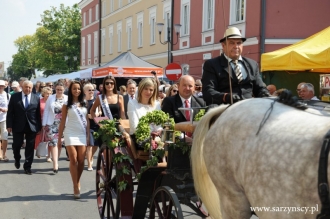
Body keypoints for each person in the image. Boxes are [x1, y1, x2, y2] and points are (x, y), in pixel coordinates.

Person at [202, 27, 269, 106]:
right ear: (223, 45)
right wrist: (226, 97)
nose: (236, 46)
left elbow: (259, 88)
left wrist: (264, 93)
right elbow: (208, 92)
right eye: (231, 43)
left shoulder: (252, 64)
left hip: (250, 107)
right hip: (224, 108)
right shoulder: (212, 64)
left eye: (239, 43)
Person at [57, 81, 89, 199]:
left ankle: (77, 180)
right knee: (73, 159)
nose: (77, 91)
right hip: (70, 133)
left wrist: (88, 135)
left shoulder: (84, 103)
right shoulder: (67, 105)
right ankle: (75, 185)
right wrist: (59, 138)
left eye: (79, 89)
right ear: (70, 90)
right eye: (74, 89)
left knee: (81, 160)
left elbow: (87, 120)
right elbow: (62, 122)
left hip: (81, 133)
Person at [6, 80, 41, 175]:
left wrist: (39, 127)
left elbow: (38, 114)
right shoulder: (14, 97)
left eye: (30, 87)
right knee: (16, 145)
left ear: (32, 88)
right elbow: (10, 112)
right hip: (18, 125)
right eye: (26, 87)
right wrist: (9, 125)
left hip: (32, 125)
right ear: (22, 87)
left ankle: (27, 166)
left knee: (30, 147)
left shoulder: (36, 98)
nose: (28, 89)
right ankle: (17, 158)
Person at [42, 82, 68, 173]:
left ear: (64, 90)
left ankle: (56, 159)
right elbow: (46, 111)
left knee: (60, 144)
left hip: (63, 124)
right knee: (53, 143)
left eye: (61, 89)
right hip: (52, 124)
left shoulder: (67, 99)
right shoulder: (51, 98)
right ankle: (55, 164)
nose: (59, 91)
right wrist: (44, 124)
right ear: (55, 89)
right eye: (57, 89)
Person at [84, 83, 101, 171]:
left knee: (96, 145)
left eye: (92, 90)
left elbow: (100, 112)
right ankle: (89, 164)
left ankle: (90, 157)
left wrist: (95, 114)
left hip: (96, 124)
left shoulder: (96, 100)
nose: (91, 91)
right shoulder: (83, 102)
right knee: (89, 145)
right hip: (87, 125)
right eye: (89, 90)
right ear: (85, 91)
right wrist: (87, 115)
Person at [34, 86, 53, 162]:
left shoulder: (52, 101)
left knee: (49, 140)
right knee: (39, 138)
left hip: (50, 123)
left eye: (50, 93)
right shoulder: (39, 101)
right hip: (40, 122)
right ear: (43, 94)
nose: (48, 95)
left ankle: (48, 156)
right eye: (47, 94)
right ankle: (39, 151)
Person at [0, 80, 10, 162]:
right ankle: (0, 154)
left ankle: (4, 154)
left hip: (4, 119)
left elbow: (11, 107)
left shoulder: (7, 95)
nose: (1, 87)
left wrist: (6, 109)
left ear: (4, 87)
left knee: (5, 137)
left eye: (2, 86)